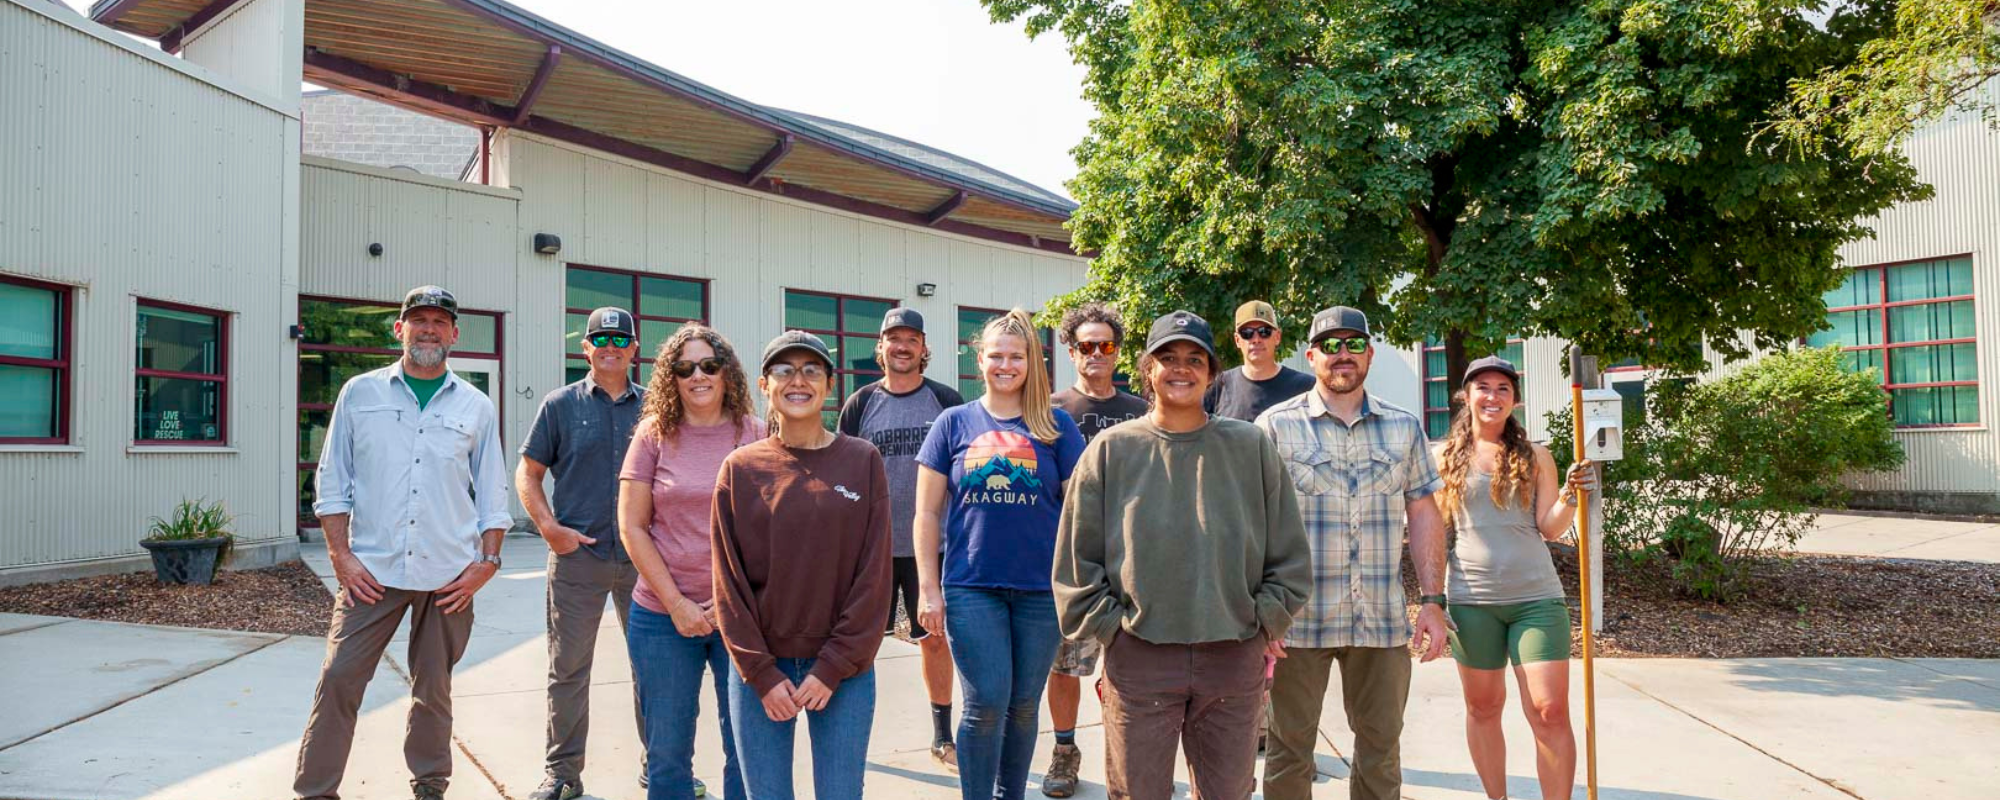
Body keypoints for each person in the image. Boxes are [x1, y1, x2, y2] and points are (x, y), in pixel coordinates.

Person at [1053, 309, 1313, 800]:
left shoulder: (1250, 446)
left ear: (1212, 372)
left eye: (1195, 358)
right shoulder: (1112, 451)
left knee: (1228, 793)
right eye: (1167, 357)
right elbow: (1074, 563)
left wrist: (1263, 622)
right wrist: (1114, 632)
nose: (1181, 368)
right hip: (1141, 659)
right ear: (1147, 369)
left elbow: (1290, 555)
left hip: (1232, 658)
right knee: (1138, 792)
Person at [296, 285, 513, 800]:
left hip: (449, 575)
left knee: (433, 690)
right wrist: (340, 557)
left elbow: (493, 491)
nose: (429, 330)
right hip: (371, 572)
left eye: (440, 322)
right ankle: (316, 791)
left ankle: (430, 786)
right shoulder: (360, 394)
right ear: (399, 329)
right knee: (339, 679)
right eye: (419, 320)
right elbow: (332, 482)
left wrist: (488, 561)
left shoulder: (476, 406)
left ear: (455, 334)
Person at [1255, 306, 1452, 800]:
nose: (1344, 355)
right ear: (1311, 355)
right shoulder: (1274, 427)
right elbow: (1246, 523)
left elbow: (1425, 511)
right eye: (1331, 346)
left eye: (1355, 345)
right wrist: (1259, 614)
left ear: (1370, 353)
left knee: (1381, 750)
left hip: (1380, 621)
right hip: (1298, 621)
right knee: (1288, 749)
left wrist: (1433, 600)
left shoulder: (1403, 427)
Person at [711, 330, 892, 800]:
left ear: (829, 385)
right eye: (784, 370)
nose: (799, 381)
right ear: (763, 384)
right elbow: (728, 585)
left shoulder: (862, 460)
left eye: (812, 370)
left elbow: (874, 577)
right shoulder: (740, 469)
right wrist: (763, 675)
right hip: (759, 672)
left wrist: (831, 666)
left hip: (844, 671)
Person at [914, 309, 1086, 800]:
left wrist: (1081, 584)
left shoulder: (1056, 427)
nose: (1005, 365)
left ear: (1032, 361)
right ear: (979, 359)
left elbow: (1080, 509)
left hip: (1040, 591)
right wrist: (929, 589)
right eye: (996, 355)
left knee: (1025, 706)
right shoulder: (953, 423)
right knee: (986, 702)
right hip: (971, 586)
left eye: (1016, 356)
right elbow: (926, 516)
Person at [1433, 356, 1593, 800]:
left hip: (1535, 598)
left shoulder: (1536, 456)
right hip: (1471, 600)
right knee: (1483, 708)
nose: (1493, 396)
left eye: (1503, 388)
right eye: (1483, 387)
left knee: (1550, 710)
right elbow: (1430, 532)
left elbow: (1550, 527)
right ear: (1466, 396)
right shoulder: (1440, 457)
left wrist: (1571, 497)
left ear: (1514, 400)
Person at [619, 324, 765, 800]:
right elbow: (632, 527)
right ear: (671, 377)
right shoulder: (652, 435)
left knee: (745, 747)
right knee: (667, 754)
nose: (697, 375)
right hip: (663, 618)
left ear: (727, 373)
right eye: (684, 367)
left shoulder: (755, 434)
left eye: (709, 365)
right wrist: (678, 603)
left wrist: (727, 604)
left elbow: (770, 531)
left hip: (740, 616)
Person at [517, 307, 645, 800]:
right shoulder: (559, 405)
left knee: (653, 669)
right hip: (578, 559)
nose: (611, 346)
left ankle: (664, 766)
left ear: (634, 348)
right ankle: (563, 775)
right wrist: (550, 530)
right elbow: (528, 473)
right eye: (600, 338)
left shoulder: (657, 406)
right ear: (585, 348)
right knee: (568, 668)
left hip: (645, 563)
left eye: (620, 338)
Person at [836, 307, 965, 773]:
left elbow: (965, 472)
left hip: (934, 550)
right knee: (862, 644)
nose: (902, 346)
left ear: (924, 347)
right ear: (882, 346)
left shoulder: (946, 401)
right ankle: (849, 738)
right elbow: (841, 472)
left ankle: (942, 736)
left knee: (934, 639)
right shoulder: (861, 403)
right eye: (894, 338)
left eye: (911, 339)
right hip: (875, 550)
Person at [1038, 302, 1148, 798]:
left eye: (1106, 344)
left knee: (1138, 669)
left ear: (1118, 351)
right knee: (1066, 666)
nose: (1097, 353)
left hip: (1136, 564)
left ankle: (1131, 756)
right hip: (1077, 563)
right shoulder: (1051, 412)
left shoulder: (1140, 411)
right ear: (1071, 350)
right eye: (1087, 345)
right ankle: (1064, 752)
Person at [1203, 300, 1316, 422]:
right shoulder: (1218, 387)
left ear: (1277, 336)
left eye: (1264, 332)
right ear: (1237, 340)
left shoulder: (1306, 387)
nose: (1256, 339)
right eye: (1247, 333)